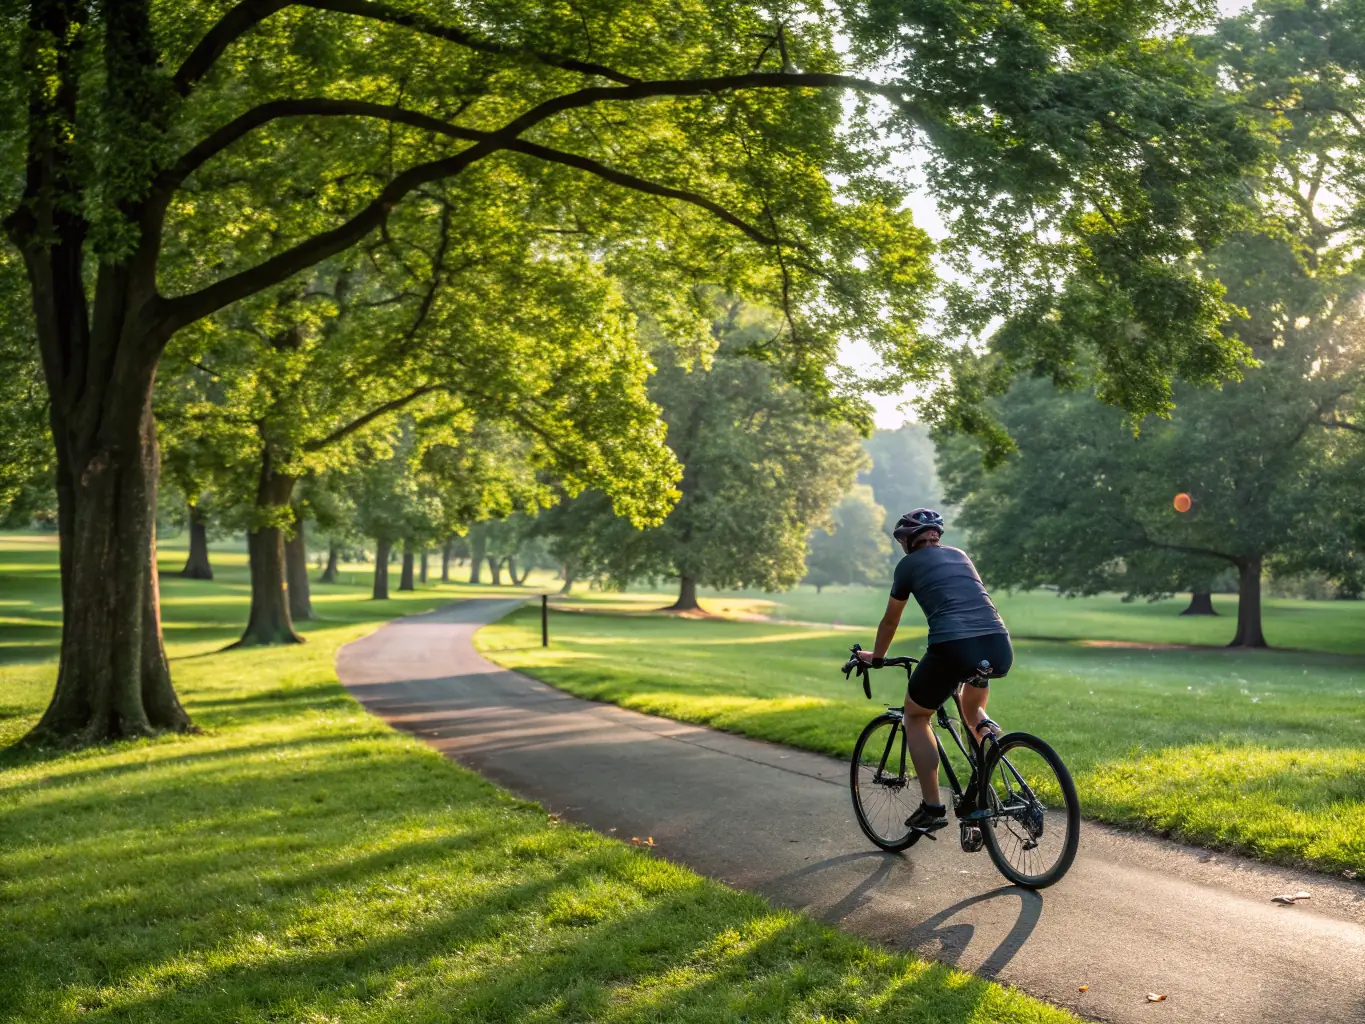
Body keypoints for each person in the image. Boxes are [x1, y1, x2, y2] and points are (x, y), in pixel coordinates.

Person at [856, 507, 1013, 836]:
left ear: (909, 541)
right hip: (998, 645)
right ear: (935, 537)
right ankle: (990, 747)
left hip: (953, 647)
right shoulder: (959, 555)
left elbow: (890, 621)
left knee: (915, 716)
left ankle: (932, 806)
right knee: (972, 710)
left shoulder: (908, 565)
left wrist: (878, 658)